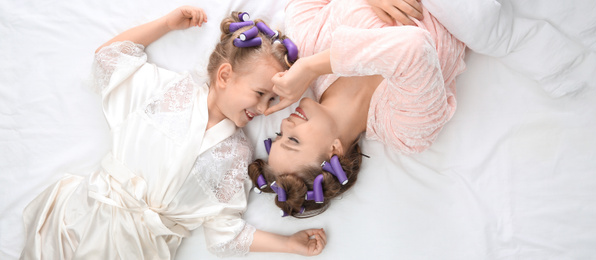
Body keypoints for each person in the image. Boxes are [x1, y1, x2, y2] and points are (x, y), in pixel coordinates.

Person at [20, 6, 326, 259]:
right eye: (259, 93)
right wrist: (166, 24)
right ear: (224, 76)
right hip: (87, 215)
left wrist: (287, 245)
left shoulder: (237, 154)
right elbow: (108, 58)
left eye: (272, 100)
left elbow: (224, 234)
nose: (263, 108)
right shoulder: (167, 91)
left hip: (140, 248)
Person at [248, 0, 467, 217]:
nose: (286, 123)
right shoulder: (404, 132)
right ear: (334, 150)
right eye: (293, 140)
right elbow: (415, 48)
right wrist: (310, 67)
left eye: (280, 134)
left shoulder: (305, 47)